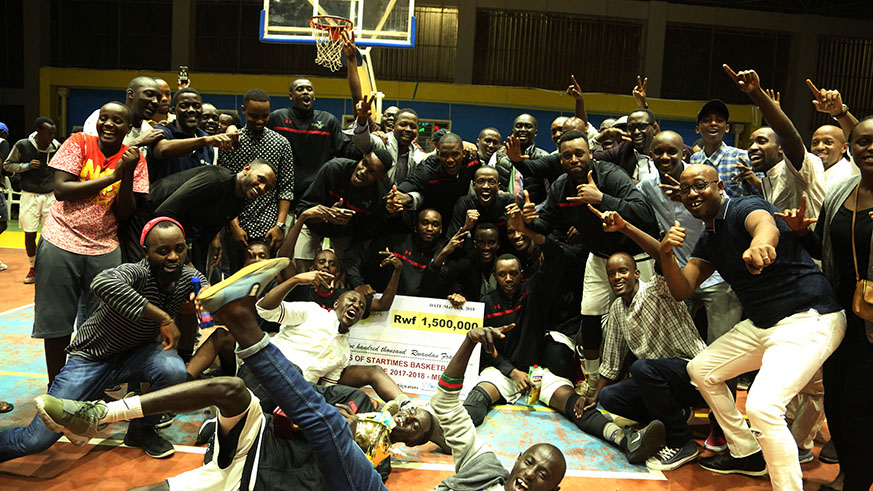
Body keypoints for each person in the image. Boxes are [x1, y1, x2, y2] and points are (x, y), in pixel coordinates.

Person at [660, 163, 845, 489]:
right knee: (701, 369)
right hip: (764, 325)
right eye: (685, 189)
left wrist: (761, 243)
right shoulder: (710, 239)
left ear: (719, 187)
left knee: (762, 406)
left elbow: (764, 224)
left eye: (700, 185)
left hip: (809, 317)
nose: (692, 193)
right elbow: (682, 289)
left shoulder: (743, 206)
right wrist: (665, 254)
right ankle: (746, 452)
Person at [0, 218, 197, 461]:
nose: (173, 257)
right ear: (146, 252)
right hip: (91, 360)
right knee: (35, 440)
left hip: (137, 356)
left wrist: (203, 299)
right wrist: (163, 317)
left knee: (174, 370)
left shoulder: (188, 277)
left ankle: (141, 430)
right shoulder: (136, 272)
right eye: (163, 251)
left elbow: (207, 288)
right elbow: (102, 282)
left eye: (179, 248)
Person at [778, 115, 873, 491]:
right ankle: (847, 472)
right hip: (840, 315)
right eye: (863, 141)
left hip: (872, 324)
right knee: (836, 401)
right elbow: (827, 251)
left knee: (861, 406)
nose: (870, 148)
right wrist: (802, 233)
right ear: (852, 149)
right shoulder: (842, 191)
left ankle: (856, 481)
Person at [529, 129, 658, 397]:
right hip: (599, 257)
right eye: (567, 155)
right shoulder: (561, 186)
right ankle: (592, 378)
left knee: (644, 320)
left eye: (579, 153)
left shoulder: (612, 175)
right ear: (561, 159)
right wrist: (528, 219)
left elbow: (644, 214)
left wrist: (601, 198)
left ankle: (645, 380)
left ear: (590, 153)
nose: (574, 159)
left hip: (635, 256)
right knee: (589, 314)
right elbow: (546, 223)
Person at [587, 206, 711, 471]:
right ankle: (675, 416)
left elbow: (661, 257)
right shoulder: (617, 309)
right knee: (610, 396)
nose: (617, 277)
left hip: (693, 374)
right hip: (659, 381)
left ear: (636, 273)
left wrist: (626, 228)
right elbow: (611, 363)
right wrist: (593, 400)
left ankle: (682, 442)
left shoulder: (658, 290)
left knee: (641, 368)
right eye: (612, 273)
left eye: (623, 271)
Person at [34, 102, 149, 387]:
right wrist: (112, 176)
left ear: (128, 128)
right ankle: (56, 386)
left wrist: (126, 174)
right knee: (57, 322)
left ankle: (85, 387)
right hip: (60, 240)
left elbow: (124, 212)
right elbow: (61, 190)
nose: (109, 124)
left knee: (102, 324)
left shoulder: (135, 159)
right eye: (104, 118)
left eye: (117, 121)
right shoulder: (79, 143)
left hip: (104, 247)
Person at [120, 160, 277, 273]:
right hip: (144, 218)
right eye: (260, 179)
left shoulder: (238, 203)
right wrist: (187, 263)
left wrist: (199, 276)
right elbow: (163, 213)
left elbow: (202, 239)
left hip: (166, 230)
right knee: (142, 276)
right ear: (247, 169)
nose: (262, 188)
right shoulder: (216, 179)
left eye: (267, 188)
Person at [724, 65, 826, 218]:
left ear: (781, 148)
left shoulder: (797, 168)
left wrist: (756, 93)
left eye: (762, 141)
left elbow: (789, 136)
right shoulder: (770, 177)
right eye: (750, 143)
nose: (752, 148)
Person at [218, 89, 294, 272]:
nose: (260, 121)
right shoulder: (231, 141)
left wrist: (280, 226)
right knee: (234, 278)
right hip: (236, 226)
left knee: (266, 279)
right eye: (254, 116)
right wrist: (234, 226)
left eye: (264, 116)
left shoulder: (281, 143)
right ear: (243, 110)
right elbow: (225, 188)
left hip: (268, 228)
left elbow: (286, 187)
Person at [292, 149, 392, 268]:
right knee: (300, 264)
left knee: (345, 268)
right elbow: (302, 208)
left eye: (372, 172)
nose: (362, 171)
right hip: (314, 223)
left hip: (344, 233)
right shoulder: (334, 169)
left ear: (381, 177)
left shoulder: (378, 196)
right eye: (364, 163)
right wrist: (325, 215)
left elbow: (364, 234)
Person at [268, 77, 356, 202]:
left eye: (309, 89)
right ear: (291, 96)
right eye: (300, 89)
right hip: (282, 192)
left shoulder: (328, 121)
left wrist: (368, 138)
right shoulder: (278, 118)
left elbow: (347, 150)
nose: (305, 92)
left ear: (314, 96)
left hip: (316, 193)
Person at [3, 117, 61, 284]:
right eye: (49, 133)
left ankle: (49, 267)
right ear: (38, 131)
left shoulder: (57, 147)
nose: (52, 136)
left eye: (54, 133)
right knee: (29, 233)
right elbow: (7, 165)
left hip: (50, 195)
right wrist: (26, 166)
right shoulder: (23, 145)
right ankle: (33, 267)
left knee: (51, 235)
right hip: (29, 195)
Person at [344, 208, 446, 297]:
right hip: (386, 304)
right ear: (415, 226)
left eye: (435, 225)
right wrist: (357, 283)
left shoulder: (444, 252)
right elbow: (354, 253)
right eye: (424, 223)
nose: (429, 228)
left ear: (441, 229)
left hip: (422, 309)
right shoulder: (396, 243)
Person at [386, 132, 481, 225]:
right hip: (433, 221)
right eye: (444, 155)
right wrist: (395, 196)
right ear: (438, 154)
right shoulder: (427, 170)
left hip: (461, 217)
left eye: (455, 154)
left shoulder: (472, 161)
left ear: (463, 153)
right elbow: (408, 184)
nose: (450, 160)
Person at [146, 88, 234, 182]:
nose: (191, 110)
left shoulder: (206, 139)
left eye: (196, 106)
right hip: (166, 191)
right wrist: (204, 141)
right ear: (174, 110)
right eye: (184, 106)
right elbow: (162, 150)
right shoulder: (163, 130)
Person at [689, 98, 757, 198]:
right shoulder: (694, 160)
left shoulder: (742, 157)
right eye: (706, 120)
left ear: (727, 128)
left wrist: (754, 181)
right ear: (697, 129)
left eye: (719, 120)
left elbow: (763, 195)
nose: (713, 123)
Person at [352, 95, 427, 185]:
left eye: (413, 126)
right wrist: (362, 119)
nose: (408, 129)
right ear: (393, 126)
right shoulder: (382, 141)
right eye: (403, 124)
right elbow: (363, 142)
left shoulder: (417, 154)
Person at [83, 76, 166, 150]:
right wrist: (138, 142)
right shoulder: (103, 118)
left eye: (158, 99)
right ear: (131, 94)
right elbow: (95, 157)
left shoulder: (148, 130)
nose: (155, 101)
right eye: (149, 94)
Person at [490, 114, 550, 201]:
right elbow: (488, 183)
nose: (523, 129)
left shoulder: (544, 157)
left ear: (536, 133)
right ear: (513, 131)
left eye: (528, 126)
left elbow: (550, 193)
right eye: (519, 126)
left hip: (533, 208)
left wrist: (535, 208)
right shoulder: (498, 155)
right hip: (503, 207)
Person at [448, 166, 516, 237]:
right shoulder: (465, 203)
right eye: (480, 182)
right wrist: (466, 227)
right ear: (474, 185)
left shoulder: (509, 203)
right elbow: (451, 239)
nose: (486, 186)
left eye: (492, 182)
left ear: (498, 187)